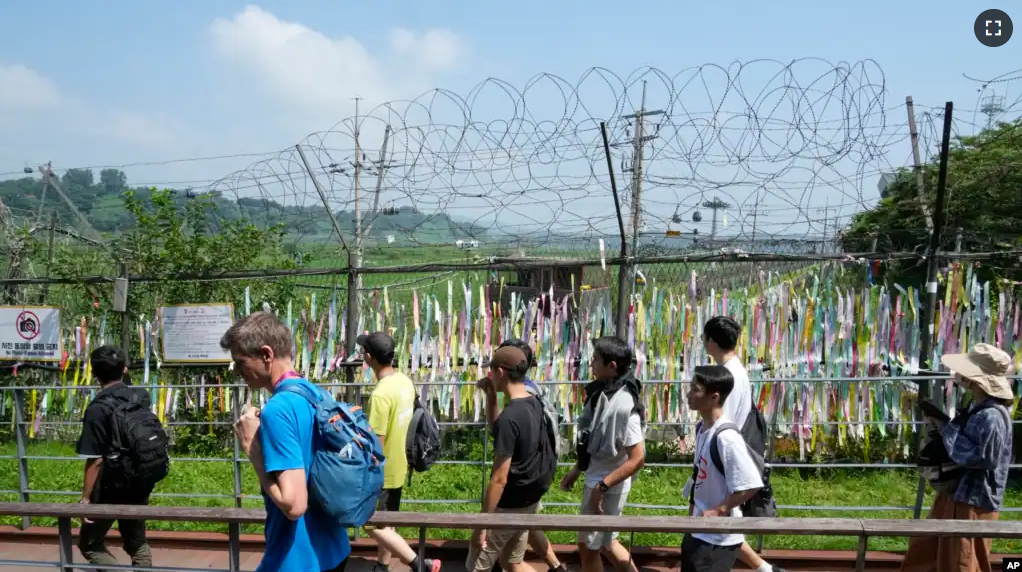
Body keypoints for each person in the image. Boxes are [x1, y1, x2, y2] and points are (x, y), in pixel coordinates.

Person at [222, 311, 350, 572]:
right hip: (333, 548)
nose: (237, 371)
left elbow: (294, 505)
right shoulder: (315, 393)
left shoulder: (278, 409)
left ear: (266, 355)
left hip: (296, 558)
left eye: (240, 362)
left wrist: (251, 448)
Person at [901, 343, 1014, 572]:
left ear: (976, 379)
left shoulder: (992, 416)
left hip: (973, 501)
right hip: (957, 493)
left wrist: (946, 428)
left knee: (963, 562)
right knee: (927, 552)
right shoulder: (977, 408)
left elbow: (982, 458)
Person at [477, 339, 568, 572]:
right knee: (512, 562)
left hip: (509, 504)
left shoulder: (511, 415)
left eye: (491, 370)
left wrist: (481, 524)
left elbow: (500, 478)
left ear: (499, 372)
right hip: (529, 497)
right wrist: (490, 396)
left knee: (477, 567)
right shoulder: (534, 401)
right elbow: (500, 431)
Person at [702, 316, 784, 572]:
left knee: (718, 514)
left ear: (712, 341)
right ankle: (763, 569)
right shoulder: (735, 369)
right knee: (719, 514)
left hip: (722, 455)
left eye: (704, 338)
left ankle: (761, 568)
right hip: (723, 453)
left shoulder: (728, 375)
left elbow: (725, 420)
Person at [358, 331, 442, 572]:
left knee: (370, 523)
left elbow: (376, 443)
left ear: (369, 357)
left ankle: (418, 564)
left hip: (383, 471)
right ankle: (382, 566)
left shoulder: (381, 394)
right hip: (401, 464)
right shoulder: (404, 381)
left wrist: (367, 475)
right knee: (388, 520)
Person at [561, 336, 644, 572]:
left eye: (596, 359)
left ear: (612, 366)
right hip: (599, 479)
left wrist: (602, 487)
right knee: (607, 543)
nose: (591, 363)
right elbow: (591, 436)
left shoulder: (624, 405)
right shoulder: (603, 393)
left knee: (587, 549)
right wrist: (579, 468)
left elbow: (637, 458)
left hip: (606, 485)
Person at [75, 346, 154, 572]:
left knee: (90, 543)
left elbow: (95, 460)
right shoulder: (141, 397)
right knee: (136, 540)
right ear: (125, 369)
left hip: (110, 485)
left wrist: (86, 500)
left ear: (93, 373)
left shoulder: (97, 409)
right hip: (141, 478)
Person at [683, 365, 764, 572]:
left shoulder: (726, 437)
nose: (688, 394)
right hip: (698, 531)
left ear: (714, 397)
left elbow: (751, 484)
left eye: (695, 389)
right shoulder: (703, 428)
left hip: (716, 540)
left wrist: (719, 510)